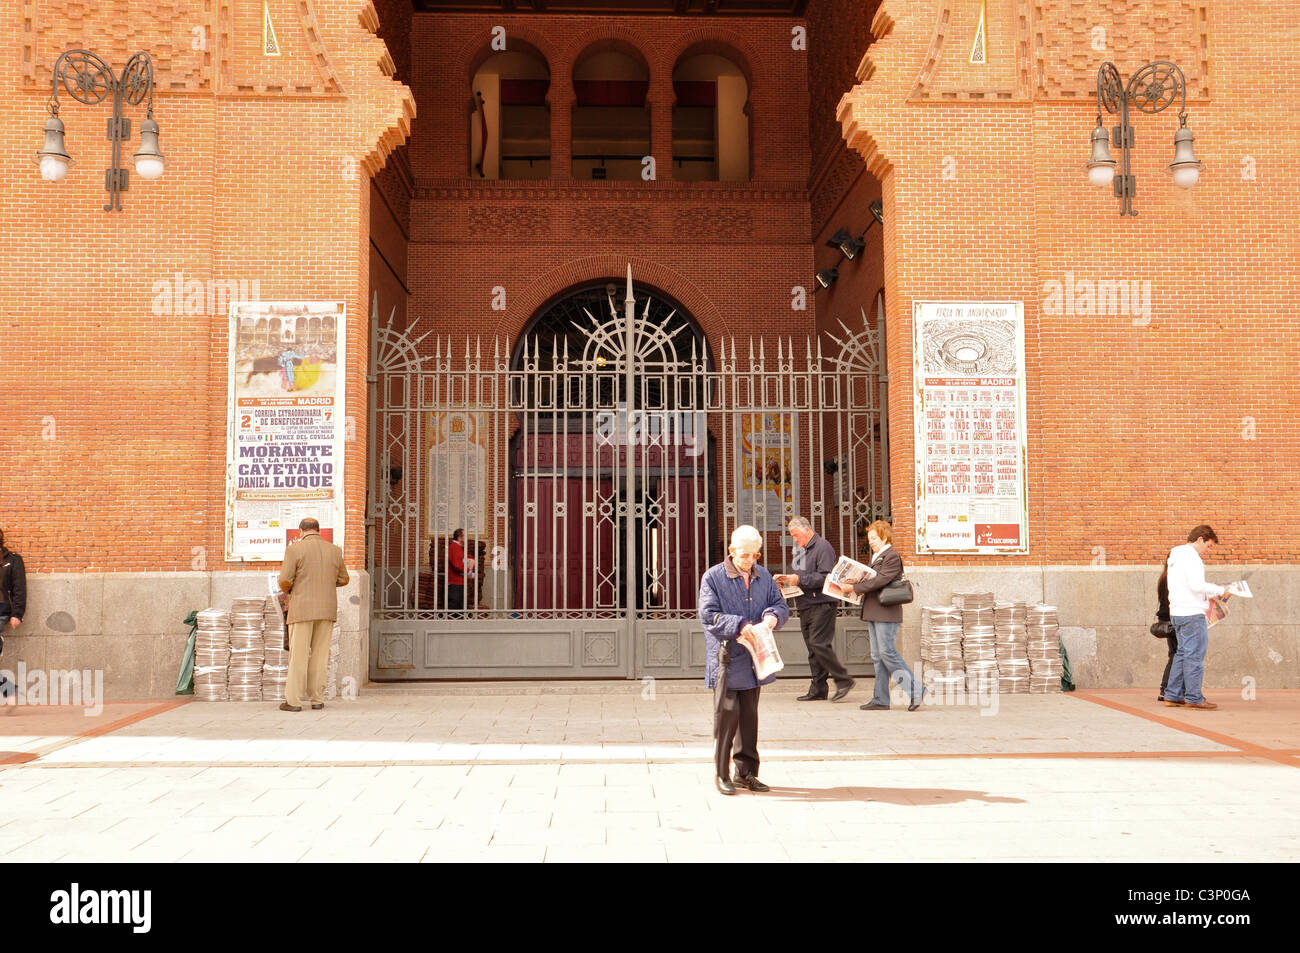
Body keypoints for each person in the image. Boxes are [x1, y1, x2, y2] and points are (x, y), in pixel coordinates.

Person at [698, 525, 789, 796]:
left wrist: (773, 616)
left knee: (749, 718)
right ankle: (722, 774)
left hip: (755, 659)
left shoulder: (763, 576)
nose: (749, 560)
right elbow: (708, 615)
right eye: (744, 555)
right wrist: (739, 625)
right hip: (727, 657)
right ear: (731, 551)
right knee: (727, 719)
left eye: (754, 555)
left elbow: (780, 604)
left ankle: (746, 772)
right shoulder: (713, 577)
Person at [830, 520, 921, 712]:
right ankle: (880, 698)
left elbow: (880, 580)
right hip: (874, 610)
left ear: (884, 537)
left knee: (887, 652)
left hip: (886, 612)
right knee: (877, 656)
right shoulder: (879, 556)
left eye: (873, 538)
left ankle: (915, 690)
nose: (870, 541)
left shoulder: (892, 556)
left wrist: (854, 587)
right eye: (869, 538)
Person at [773, 516, 854, 701]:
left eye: (796, 535)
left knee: (819, 644)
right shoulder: (802, 550)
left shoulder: (823, 547)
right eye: (792, 536)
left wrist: (798, 580)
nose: (794, 539)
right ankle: (818, 689)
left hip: (822, 604)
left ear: (807, 530)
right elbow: (801, 575)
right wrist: (787, 582)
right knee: (813, 648)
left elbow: (826, 577)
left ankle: (843, 679)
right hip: (806, 603)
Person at [277, 518, 349, 712]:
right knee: (320, 655)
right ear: (319, 530)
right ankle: (317, 699)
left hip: (301, 609)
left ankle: (294, 701)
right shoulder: (334, 550)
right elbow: (344, 579)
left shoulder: (295, 549)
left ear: (301, 531)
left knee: (298, 655)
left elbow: (284, 579)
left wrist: (291, 591)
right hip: (326, 609)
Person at [1164, 524, 1231, 711]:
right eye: (1208, 546)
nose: (1208, 551)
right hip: (1192, 614)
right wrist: (1220, 590)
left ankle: (1173, 695)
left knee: (1182, 654)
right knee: (1194, 655)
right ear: (1200, 539)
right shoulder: (1191, 557)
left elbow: (1188, 586)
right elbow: (1196, 585)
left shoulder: (1176, 555)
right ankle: (1194, 697)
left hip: (1177, 611)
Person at [0, 529, 27, 704]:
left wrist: (17, 613)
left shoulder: (12, 560)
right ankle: (7, 688)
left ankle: (7, 689)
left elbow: (19, 588)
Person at [1154, 564, 1178, 703]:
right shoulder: (1172, 577)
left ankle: (1166, 689)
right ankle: (1166, 689)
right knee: (1177, 654)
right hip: (1172, 619)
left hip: (1165, 619)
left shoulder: (1164, 577)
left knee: (1174, 654)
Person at [447, 529, 475, 613]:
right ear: (459, 538)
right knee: (455, 606)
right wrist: (468, 571)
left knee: (460, 605)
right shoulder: (455, 547)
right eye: (465, 536)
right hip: (456, 582)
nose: (466, 538)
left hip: (459, 581)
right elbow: (457, 564)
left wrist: (471, 559)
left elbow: (462, 558)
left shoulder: (457, 547)